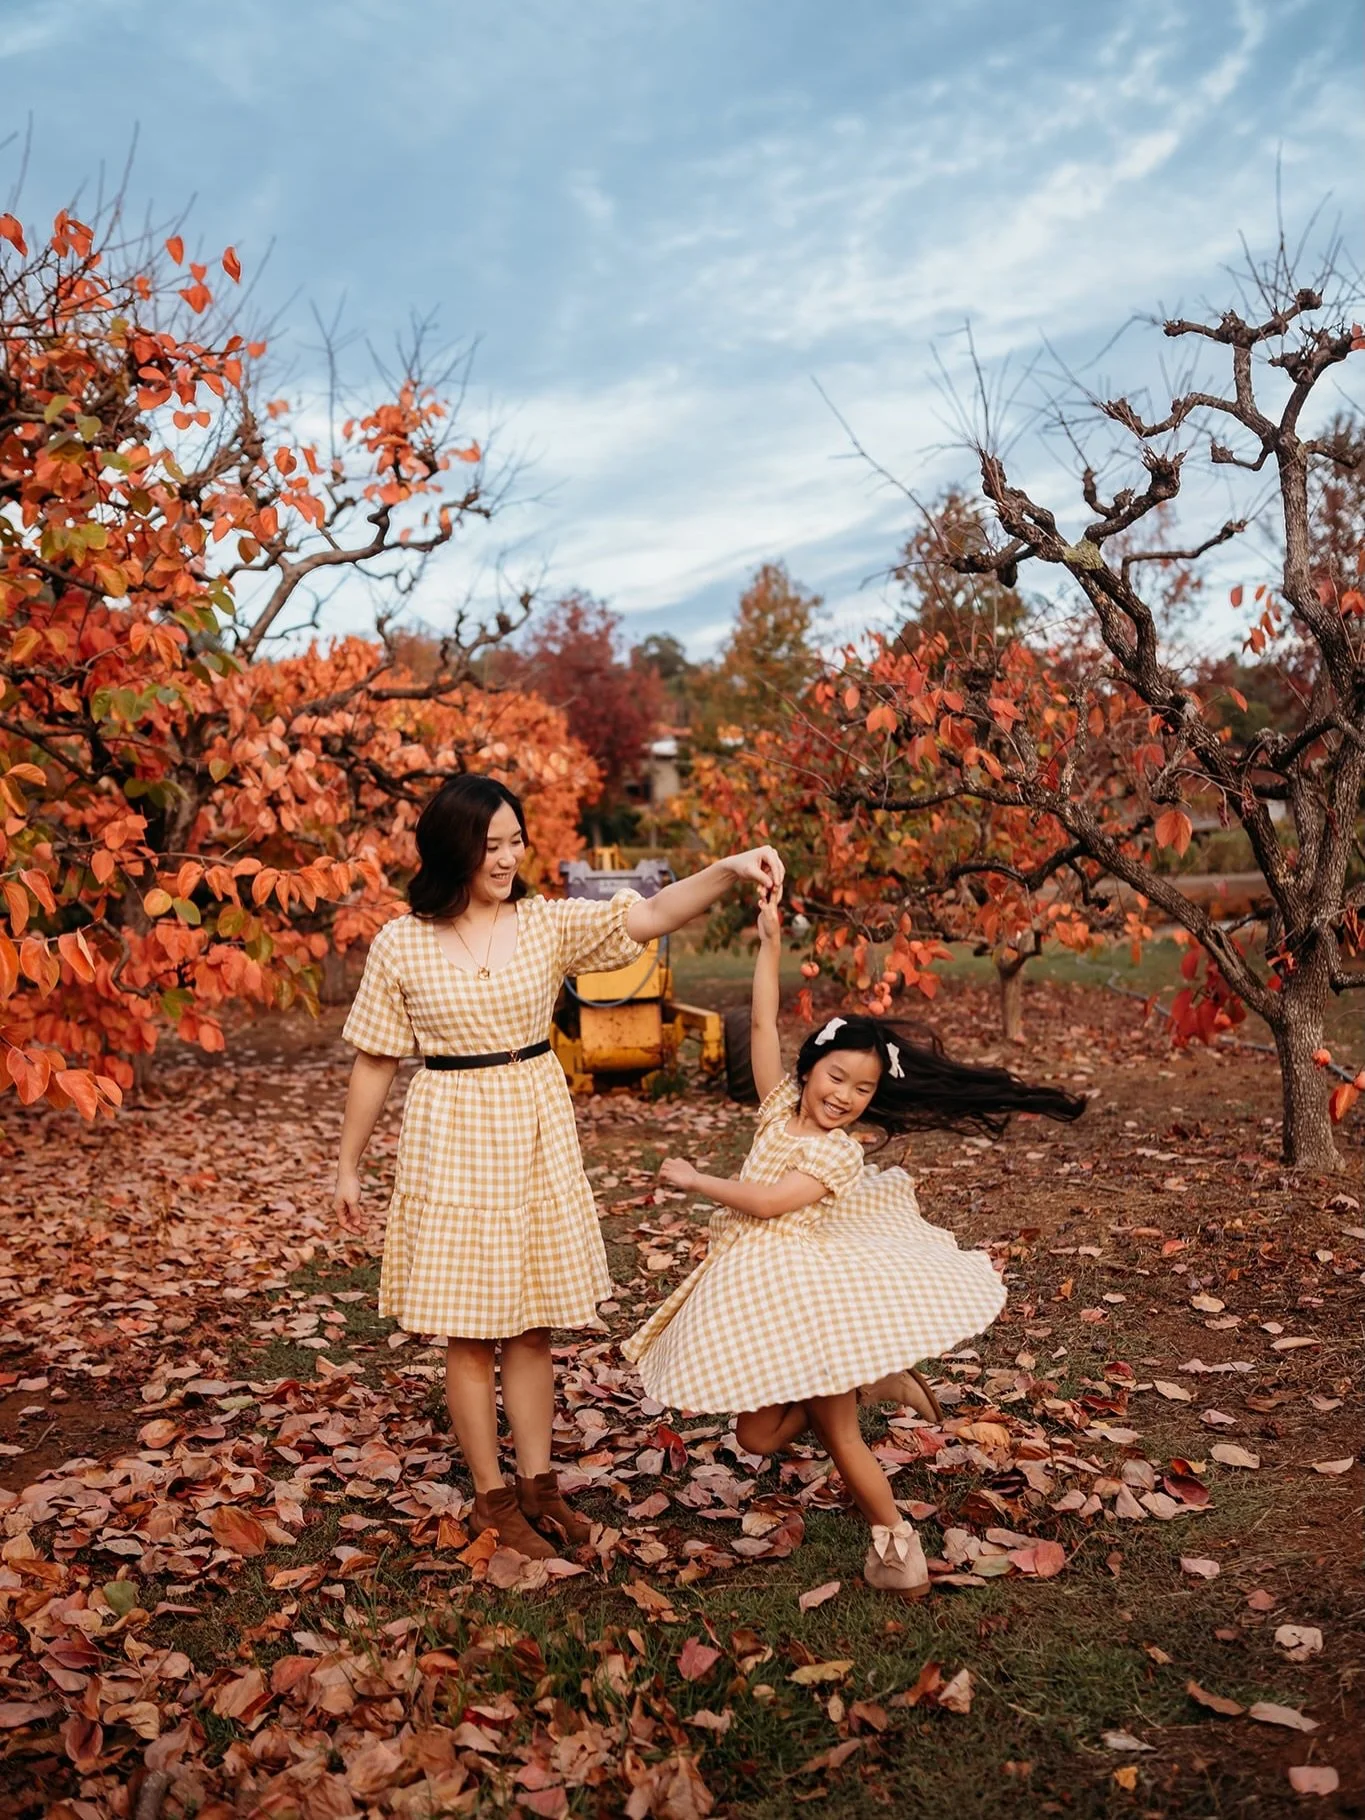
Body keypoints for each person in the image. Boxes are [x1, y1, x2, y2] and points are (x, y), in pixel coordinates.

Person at [332, 773, 783, 1560]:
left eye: (514, 840)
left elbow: (647, 915)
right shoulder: (401, 942)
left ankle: (539, 1485)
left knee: (531, 1322)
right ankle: (491, 1498)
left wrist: (728, 867)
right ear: (451, 849)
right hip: (451, 1128)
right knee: (469, 1332)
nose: (506, 857)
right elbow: (375, 1060)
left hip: (532, 1123)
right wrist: (346, 1166)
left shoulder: (542, 924)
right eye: (489, 843)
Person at [623, 896, 1085, 1599]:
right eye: (835, 1077)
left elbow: (773, 1203)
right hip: (752, 1294)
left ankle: (898, 1550)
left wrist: (697, 1179)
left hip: (805, 1297)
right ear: (807, 1070)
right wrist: (769, 942)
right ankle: (876, 1380)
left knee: (841, 1437)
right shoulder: (778, 1105)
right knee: (754, 1436)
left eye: (863, 1089)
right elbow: (765, 1019)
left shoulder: (838, 1155)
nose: (844, 1096)